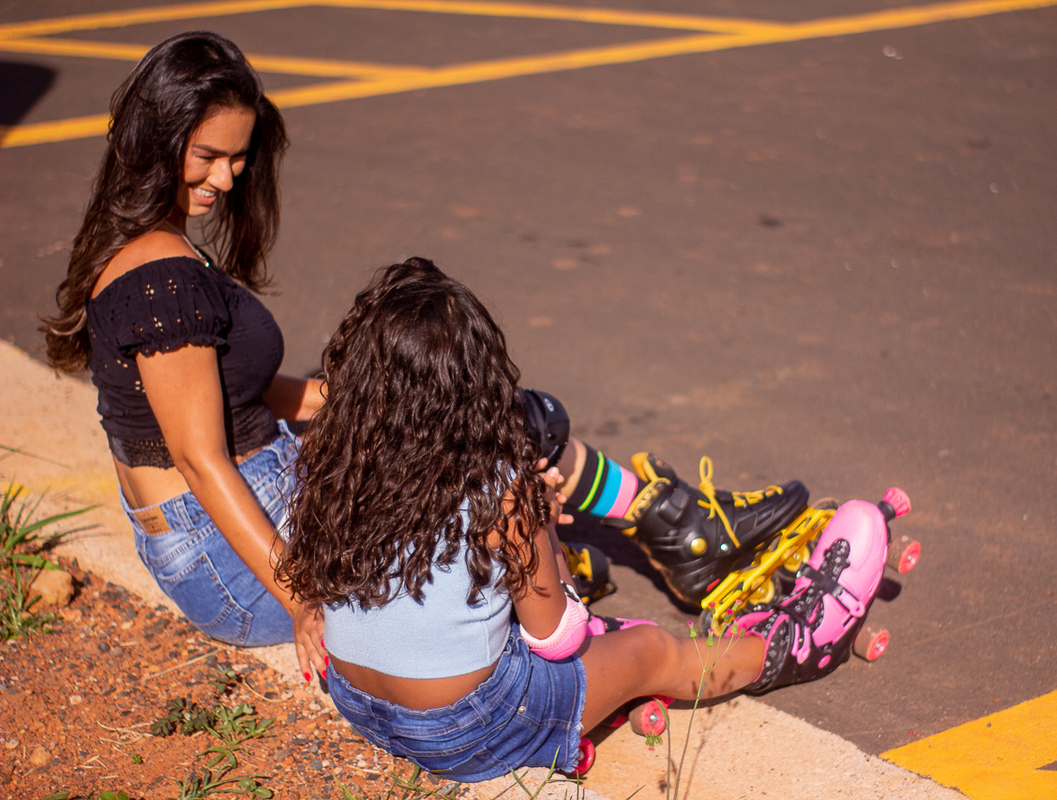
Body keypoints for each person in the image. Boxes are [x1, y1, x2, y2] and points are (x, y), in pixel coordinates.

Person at [39, 30, 814, 682]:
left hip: (249, 507)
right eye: (208, 155)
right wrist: (304, 594)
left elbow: (232, 392)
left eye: (238, 158)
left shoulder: (151, 249)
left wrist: (341, 399)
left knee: (475, 409)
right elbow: (199, 456)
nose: (227, 177)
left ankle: (660, 528)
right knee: (491, 452)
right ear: (160, 134)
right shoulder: (160, 278)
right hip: (236, 560)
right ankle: (655, 553)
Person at [278, 259, 891, 779]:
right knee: (651, 647)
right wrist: (543, 525)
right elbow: (556, 638)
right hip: (462, 732)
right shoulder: (500, 492)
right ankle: (799, 642)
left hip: (357, 698)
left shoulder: (335, 460)